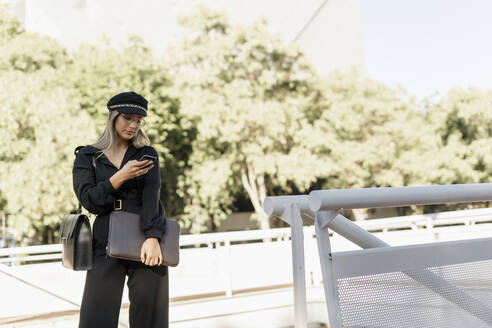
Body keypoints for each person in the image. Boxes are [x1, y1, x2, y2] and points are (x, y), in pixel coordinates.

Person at [72, 91, 169, 328]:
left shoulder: (147, 154)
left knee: (150, 319)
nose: (133, 125)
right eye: (128, 118)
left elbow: (151, 196)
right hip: (104, 241)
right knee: (96, 318)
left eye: (139, 120)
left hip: (146, 240)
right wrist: (119, 177)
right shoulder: (87, 156)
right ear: (113, 117)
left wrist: (153, 236)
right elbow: (89, 200)